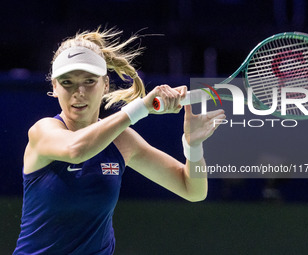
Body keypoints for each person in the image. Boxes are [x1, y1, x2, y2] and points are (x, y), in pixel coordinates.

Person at [13, 28, 225, 254]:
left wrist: (192, 146)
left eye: (89, 81)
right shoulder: (43, 131)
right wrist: (141, 107)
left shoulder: (122, 142)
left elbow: (192, 190)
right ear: (54, 87)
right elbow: (77, 149)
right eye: (67, 82)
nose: (79, 92)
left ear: (105, 84)